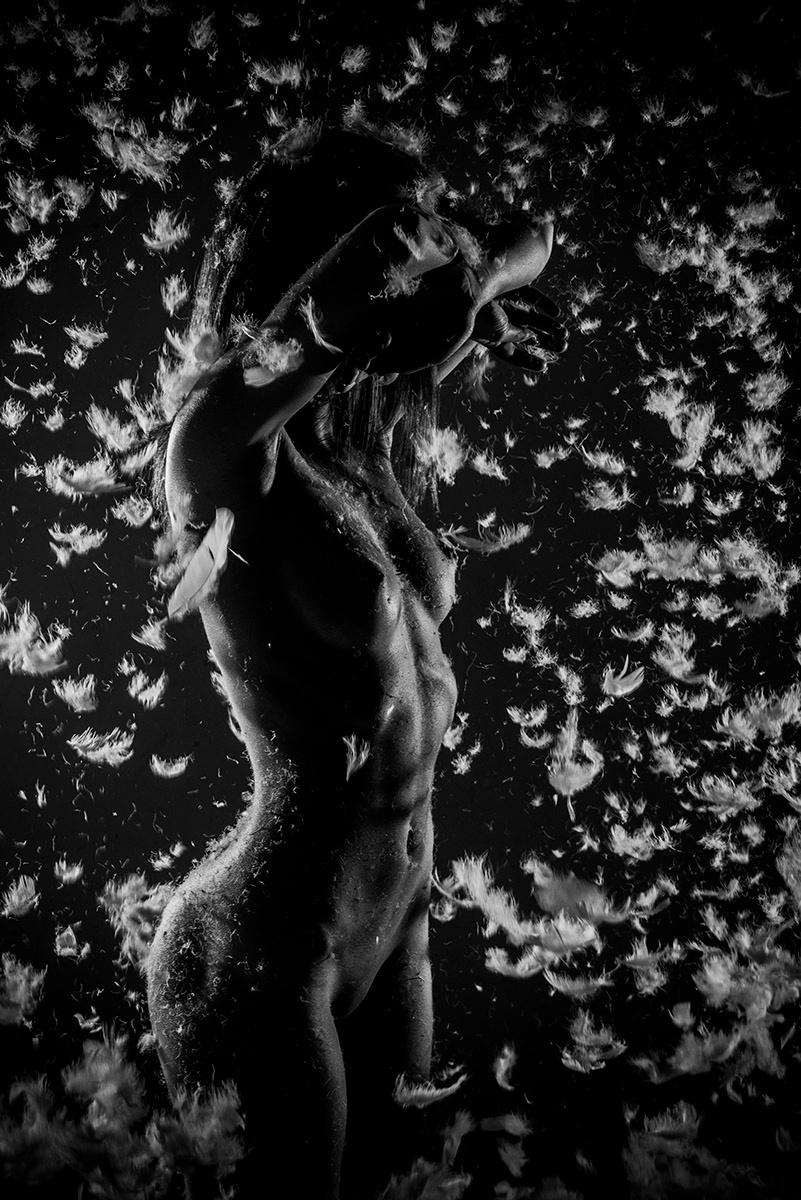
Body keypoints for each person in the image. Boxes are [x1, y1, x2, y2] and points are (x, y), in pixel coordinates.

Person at [145, 121, 566, 1200]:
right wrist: (430, 284)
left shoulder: (355, 448)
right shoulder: (217, 453)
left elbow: (530, 236)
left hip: (395, 930)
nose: (409, 284)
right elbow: (348, 294)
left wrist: (475, 287)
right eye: (393, 263)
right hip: (265, 950)